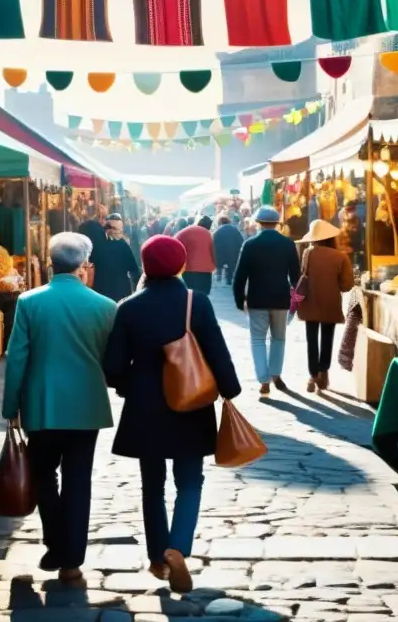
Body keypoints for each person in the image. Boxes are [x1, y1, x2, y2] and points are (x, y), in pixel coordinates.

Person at [102, 235, 241, 593]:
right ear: (180, 264)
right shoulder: (198, 302)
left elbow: (113, 366)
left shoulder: (128, 307)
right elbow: (217, 353)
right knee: (190, 481)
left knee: (152, 486)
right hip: (191, 404)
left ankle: (156, 558)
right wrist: (230, 390)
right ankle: (177, 547)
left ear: (146, 265)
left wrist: (129, 386)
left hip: (146, 407)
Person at [1, 233, 116, 585]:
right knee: (78, 481)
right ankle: (72, 561)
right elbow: (112, 361)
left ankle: (56, 541)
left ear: (49, 261)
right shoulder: (106, 306)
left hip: (43, 402)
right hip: (87, 404)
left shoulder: (30, 301)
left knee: (42, 475)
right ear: (83, 264)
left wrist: (10, 406)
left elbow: (17, 356)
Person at [232, 206, 300, 396]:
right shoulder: (287, 244)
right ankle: (276, 375)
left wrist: (240, 301)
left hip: (257, 299)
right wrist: (297, 300)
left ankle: (264, 381)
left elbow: (240, 276)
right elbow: (296, 276)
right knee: (279, 339)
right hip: (280, 298)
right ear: (277, 223)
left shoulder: (250, 244)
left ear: (259, 223)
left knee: (258, 339)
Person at [296, 220, 355, 392]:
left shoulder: (308, 252)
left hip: (310, 302)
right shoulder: (341, 256)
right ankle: (324, 372)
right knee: (327, 338)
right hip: (331, 303)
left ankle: (312, 376)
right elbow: (346, 285)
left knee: (311, 339)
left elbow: (303, 273)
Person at [92, 213, 140, 301]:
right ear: (107, 229)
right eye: (116, 229)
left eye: (120, 230)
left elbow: (134, 270)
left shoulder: (96, 245)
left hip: (102, 293)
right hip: (119, 293)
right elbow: (134, 271)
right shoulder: (123, 245)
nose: (119, 232)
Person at [175, 216, 216, 294]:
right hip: (206, 269)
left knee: (190, 294)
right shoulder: (209, 234)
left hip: (189, 269)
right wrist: (214, 265)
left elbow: (175, 246)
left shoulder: (186, 231)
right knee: (204, 294)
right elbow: (214, 251)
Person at [212, 215, 244, 285]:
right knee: (231, 265)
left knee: (219, 264)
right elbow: (241, 241)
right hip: (233, 252)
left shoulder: (217, 231)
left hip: (220, 252)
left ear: (219, 222)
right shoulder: (235, 230)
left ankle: (219, 275)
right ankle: (229, 279)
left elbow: (212, 242)